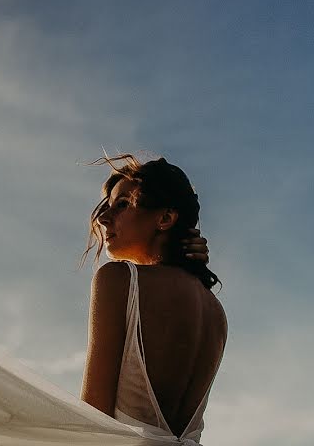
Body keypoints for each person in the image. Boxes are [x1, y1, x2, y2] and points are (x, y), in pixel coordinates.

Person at [80, 155, 227, 444]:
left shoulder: (119, 279)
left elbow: (92, 418)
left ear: (164, 218)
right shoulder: (215, 311)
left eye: (122, 205)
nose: (103, 218)